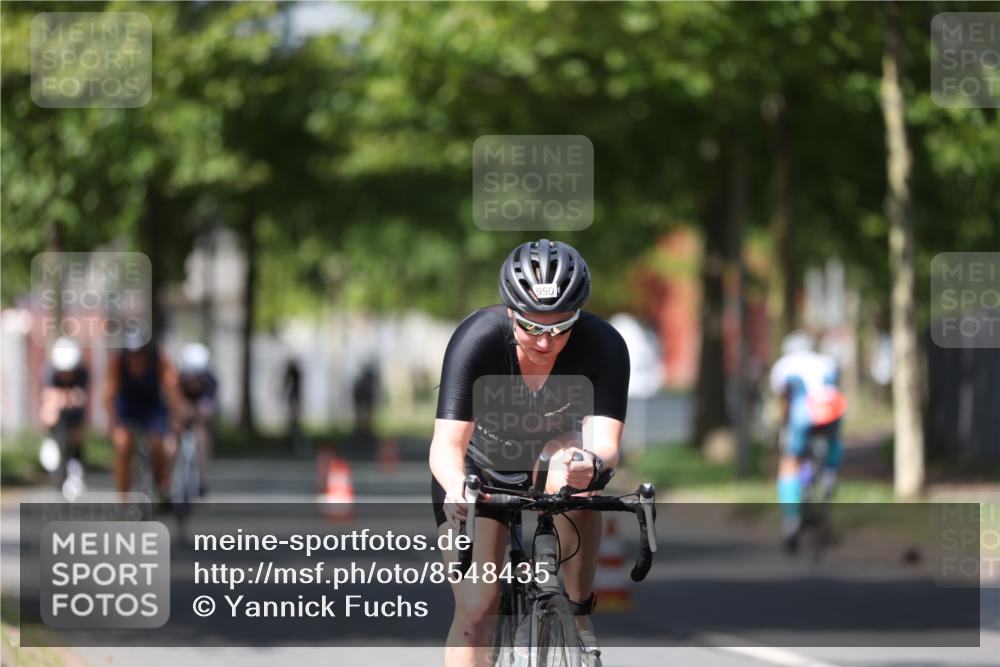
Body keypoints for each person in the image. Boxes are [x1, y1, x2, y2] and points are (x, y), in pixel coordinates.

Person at [429, 239, 629, 667]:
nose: (544, 340)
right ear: (510, 313)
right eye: (532, 327)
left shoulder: (604, 345)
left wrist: (590, 466)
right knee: (478, 608)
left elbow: (605, 445)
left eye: (559, 327)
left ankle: (575, 613)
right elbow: (446, 446)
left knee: (581, 475)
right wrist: (456, 488)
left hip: (551, 458)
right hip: (478, 468)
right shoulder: (477, 339)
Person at [769, 330, 847, 551]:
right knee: (832, 445)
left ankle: (791, 520)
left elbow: (785, 401)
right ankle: (830, 475)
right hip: (831, 410)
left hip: (803, 412)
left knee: (790, 461)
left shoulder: (783, 365)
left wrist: (783, 429)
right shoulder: (825, 361)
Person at [104, 332, 184, 500]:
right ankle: (124, 501)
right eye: (132, 354)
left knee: (157, 445)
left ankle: (161, 484)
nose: (136, 358)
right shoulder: (117, 363)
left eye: (140, 353)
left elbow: (171, 387)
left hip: (152, 408)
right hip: (127, 408)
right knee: (124, 446)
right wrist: (112, 424)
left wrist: (177, 415)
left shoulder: (159, 360)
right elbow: (109, 394)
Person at [39, 337, 89, 497]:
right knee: (50, 416)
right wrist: (64, 399)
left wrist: (67, 398)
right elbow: (49, 398)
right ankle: (52, 444)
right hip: (56, 412)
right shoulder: (49, 371)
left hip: (74, 413)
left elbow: (81, 398)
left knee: (76, 433)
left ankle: (76, 465)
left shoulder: (82, 372)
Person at [177, 342, 218, 496]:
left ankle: (201, 477)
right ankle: (167, 481)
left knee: (201, 436)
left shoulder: (210, 382)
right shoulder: (177, 380)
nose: (194, 380)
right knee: (171, 438)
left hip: (200, 414)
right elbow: (173, 400)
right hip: (184, 412)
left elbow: (211, 404)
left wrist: (203, 411)